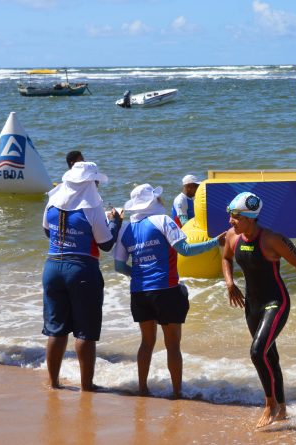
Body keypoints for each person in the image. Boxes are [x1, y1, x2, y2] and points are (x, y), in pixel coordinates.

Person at [221, 192, 296, 428]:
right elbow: (226, 258)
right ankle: (283, 409)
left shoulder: (271, 239)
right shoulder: (232, 237)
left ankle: (270, 405)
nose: (230, 221)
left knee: (257, 352)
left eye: (235, 216)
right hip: (252, 305)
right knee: (270, 356)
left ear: (249, 218)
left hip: (276, 303)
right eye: (230, 215)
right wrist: (229, 283)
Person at [114, 184, 224, 398]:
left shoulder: (126, 228)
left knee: (146, 343)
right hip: (166, 290)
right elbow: (185, 250)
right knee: (173, 345)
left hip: (139, 293)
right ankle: (176, 392)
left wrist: (138, 274)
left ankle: (143, 389)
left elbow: (119, 266)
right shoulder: (163, 220)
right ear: (154, 201)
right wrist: (215, 242)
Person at [42, 162, 122, 391]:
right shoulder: (92, 208)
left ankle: (53, 382)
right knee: (85, 331)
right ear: (88, 183)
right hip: (81, 269)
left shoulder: (53, 201)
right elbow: (106, 244)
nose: (97, 185)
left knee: (56, 330)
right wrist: (116, 222)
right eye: (95, 181)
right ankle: (87, 385)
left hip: (52, 267)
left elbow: (47, 231)